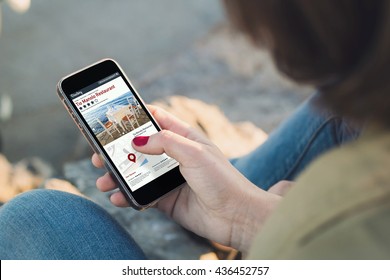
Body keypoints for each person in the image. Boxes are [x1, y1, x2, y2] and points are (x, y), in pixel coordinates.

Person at [0, 0, 389, 259]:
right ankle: (232, 186)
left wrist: (286, 231)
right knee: (337, 108)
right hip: (267, 220)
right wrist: (249, 217)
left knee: (34, 215)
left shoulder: (335, 233)